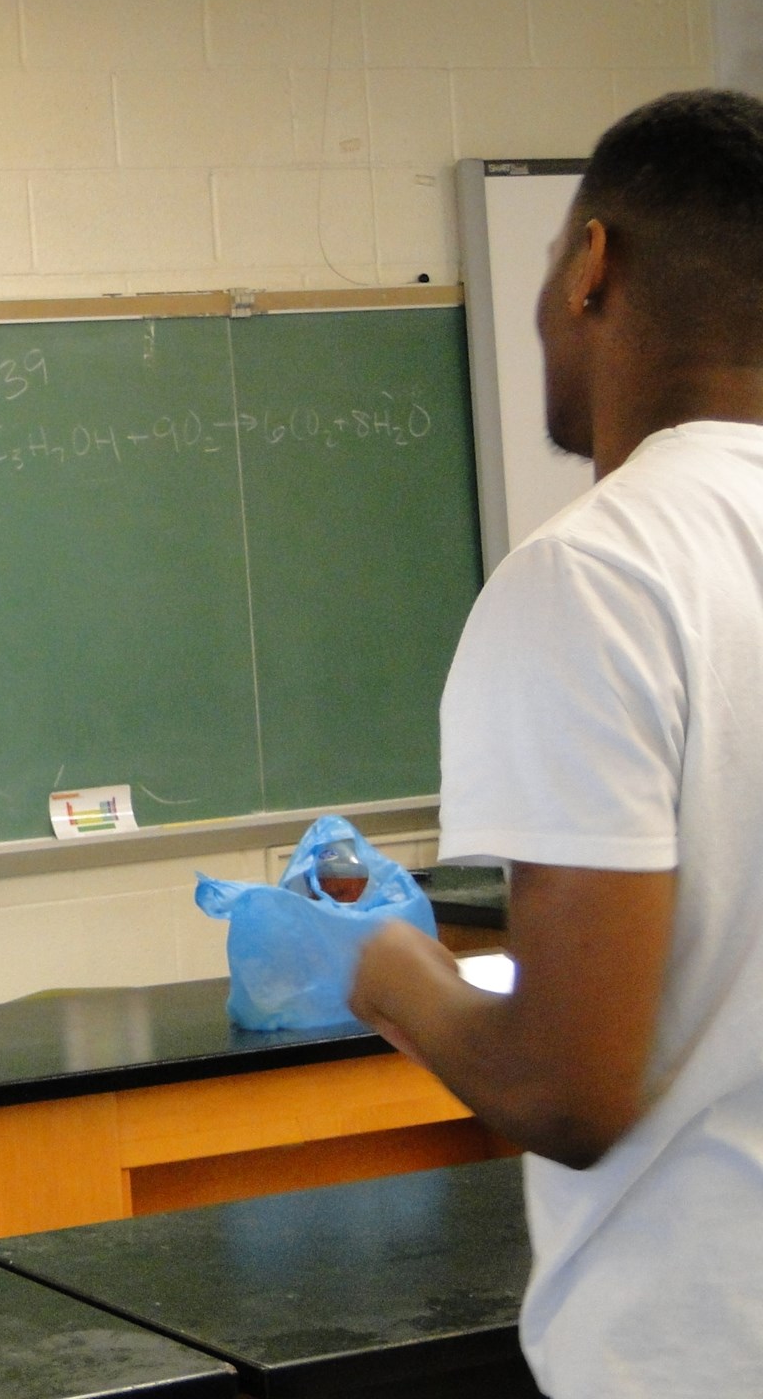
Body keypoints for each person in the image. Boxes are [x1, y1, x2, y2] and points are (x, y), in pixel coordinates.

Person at [349, 90, 763, 1397]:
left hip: (701, 1343)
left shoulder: (595, 577)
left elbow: (572, 1095)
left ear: (592, 266)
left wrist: (398, 973)